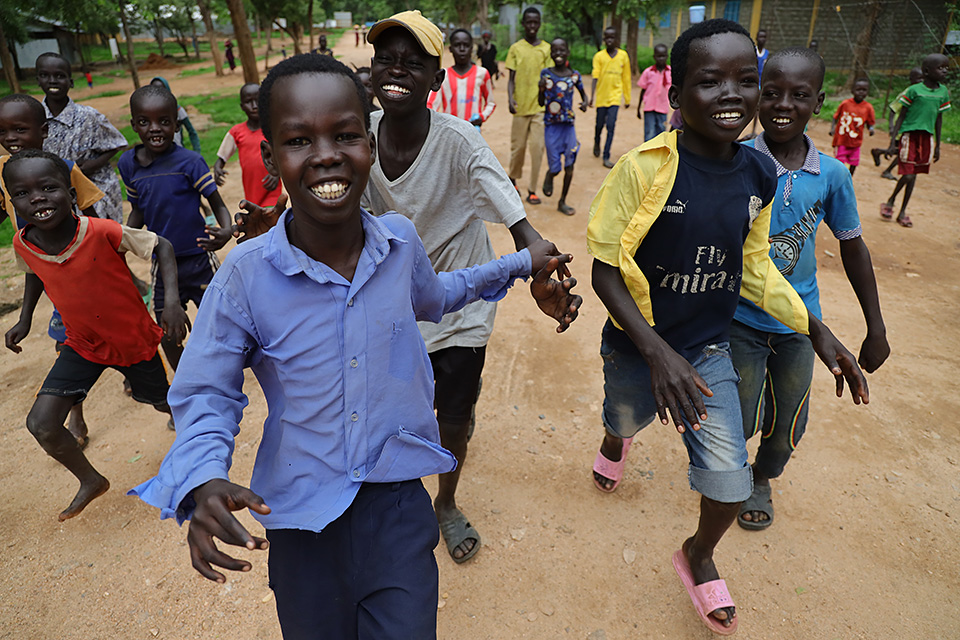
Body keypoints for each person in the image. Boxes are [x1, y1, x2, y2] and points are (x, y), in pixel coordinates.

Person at [130, 53, 580, 640]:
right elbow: (207, 391)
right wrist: (201, 475)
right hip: (301, 519)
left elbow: (437, 295)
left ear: (368, 144)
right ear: (271, 157)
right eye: (299, 140)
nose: (326, 155)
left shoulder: (399, 242)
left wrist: (522, 263)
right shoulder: (245, 275)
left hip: (397, 505)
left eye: (345, 135)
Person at [237, 11, 579, 566]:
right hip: (392, 302)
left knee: (454, 411)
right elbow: (315, 186)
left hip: (460, 301)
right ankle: (393, 480)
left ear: (436, 80)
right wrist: (274, 220)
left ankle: (445, 501)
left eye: (413, 63)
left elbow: (519, 222)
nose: (396, 70)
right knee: (394, 400)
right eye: (386, 60)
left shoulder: (460, 143)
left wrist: (540, 268)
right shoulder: (354, 134)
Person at [586, 19, 868, 634]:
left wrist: (815, 328)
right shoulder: (643, 169)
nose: (732, 95)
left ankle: (698, 554)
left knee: (730, 485)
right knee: (625, 417)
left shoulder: (757, 175)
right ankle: (615, 441)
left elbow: (755, 265)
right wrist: (657, 353)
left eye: (746, 80)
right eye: (710, 81)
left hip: (708, 351)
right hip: (638, 345)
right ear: (677, 93)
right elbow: (605, 270)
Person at [735, 47, 889, 531]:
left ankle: (762, 477)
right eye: (772, 92)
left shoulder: (832, 175)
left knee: (789, 420)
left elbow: (852, 248)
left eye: (799, 95)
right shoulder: (737, 158)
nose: (783, 104)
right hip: (738, 317)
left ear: (818, 103)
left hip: (801, 323)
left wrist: (876, 327)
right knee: (738, 414)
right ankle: (729, 472)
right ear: (758, 96)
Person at [4, 149, 187, 522]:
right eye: (22, 193)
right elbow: (34, 271)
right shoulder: (23, 242)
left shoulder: (101, 231)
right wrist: (24, 318)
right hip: (82, 344)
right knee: (41, 424)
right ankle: (91, 479)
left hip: (131, 341)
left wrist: (171, 303)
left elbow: (161, 246)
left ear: (72, 195)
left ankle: (196, 434)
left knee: (160, 401)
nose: (36, 198)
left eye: (48, 188)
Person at [0, 94, 106, 444]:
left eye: (19, 129)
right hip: (44, 268)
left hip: (80, 266)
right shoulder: (2, 174)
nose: (10, 138)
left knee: (113, 327)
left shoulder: (63, 168)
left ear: (43, 131)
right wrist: (25, 317)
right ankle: (76, 412)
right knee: (67, 339)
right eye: (2, 131)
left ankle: (136, 373)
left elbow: (93, 219)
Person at [118, 85, 234, 370]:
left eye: (164, 121)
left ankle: (222, 376)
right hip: (162, 264)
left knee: (224, 324)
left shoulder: (190, 162)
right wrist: (122, 242)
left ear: (176, 124)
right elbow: (138, 211)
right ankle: (186, 384)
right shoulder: (129, 165)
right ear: (134, 125)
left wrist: (226, 230)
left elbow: (217, 203)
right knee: (168, 333)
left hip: (199, 258)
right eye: (144, 122)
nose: (155, 129)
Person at [36, 52, 127, 222]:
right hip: (54, 193)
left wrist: (95, 163)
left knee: (99, 232)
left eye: (59, 76)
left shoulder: (88, 116)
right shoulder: (34, 117)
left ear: (71, 82)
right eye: (45, 75)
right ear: (38, 80)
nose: (52, 81)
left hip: (95, 188)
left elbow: (117, 143)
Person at [880, 53, 951, 228]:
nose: (945, 71)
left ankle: (902, 211)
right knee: (909, 174)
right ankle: (891, 200)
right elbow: (901, 115)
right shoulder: (914, 90)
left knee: (914, 176)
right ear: (926, 71)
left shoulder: (943, 92)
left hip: (927, 138)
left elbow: (939, 119)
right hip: (909, 136)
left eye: (946, 68)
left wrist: (938, 145)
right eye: (940, 68)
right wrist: (892, 141)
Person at [505, 7, 551, 204]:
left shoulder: (546, 49)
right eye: (529, 22)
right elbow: (511, 78)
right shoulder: (516, 48)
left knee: (537, 148)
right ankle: (513, 180)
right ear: (523, 24)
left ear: (539, 24)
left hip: (540, 107)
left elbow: (550, 77)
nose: (532, 26)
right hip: (520, 106)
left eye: (535, 22)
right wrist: (510, 98)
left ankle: (532, 189)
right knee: (518, 147)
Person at [538, 37, 588, 216]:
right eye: (555, 50)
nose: (558, 53)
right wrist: (541, 90)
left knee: (569, 164)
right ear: (551, 53)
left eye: (562, 50)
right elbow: (541, 102)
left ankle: (562, 201)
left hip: (568, 126)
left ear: (567, 52)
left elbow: (583, 94)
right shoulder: (546, 74)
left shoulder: (574, 75)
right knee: (555, 167)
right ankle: (550, 174)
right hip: (551, 126)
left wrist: (585, 103)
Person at [214, 83, 283, 208]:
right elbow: (221, 157)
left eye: (258, 101)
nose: (254, 106)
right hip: (252, 194)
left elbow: (284, 153)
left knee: (271, 216)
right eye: (248, 102)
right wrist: (217, 168)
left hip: (271, 190)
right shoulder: (236, 132)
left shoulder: (273, 129)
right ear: (242, 106)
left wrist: (277, 173)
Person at [428, 29, 495, 130]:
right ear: (450, 49)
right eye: (457, 45)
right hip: (450, 132)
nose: (462, 49)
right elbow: (431, 105)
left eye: (466, 45)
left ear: (471, 48)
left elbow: (491, 103)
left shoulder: (482, 73)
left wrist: (481, 117)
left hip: (473, 131)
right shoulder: (443, 76)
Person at [871, 67, 923, 180]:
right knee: (904, 152)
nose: (921, 81)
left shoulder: (921, 93)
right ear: (911, 79)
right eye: (919, 78)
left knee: (904, 152)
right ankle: (886, 169)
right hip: (901, 127)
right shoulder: (907, 93)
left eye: (923, 78)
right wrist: (891, 127)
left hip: (911, 128)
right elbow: (893, 109)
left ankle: (879, 153)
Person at [590, 27, 631, 168]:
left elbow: (626, 78)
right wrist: (592, 96)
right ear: (604, 39)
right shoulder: (599, 56)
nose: (609, 40)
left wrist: (627, 98)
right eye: (607, 37)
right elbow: (595, 76)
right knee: (599, 125)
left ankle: (606, 155)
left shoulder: (623, 56)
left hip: (615, 97)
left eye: (612, 37)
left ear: (617, 39)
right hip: (602, 97)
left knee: (611, 126)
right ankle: (596, 142)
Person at [829, 77, 875, 176]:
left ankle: (849, 179)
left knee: (854, 162)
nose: (861, 92)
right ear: (852, 90)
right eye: (858, 89)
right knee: (839, 163)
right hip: (842, 139)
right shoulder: (845, 104)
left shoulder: (868, 107)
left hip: (856, 141)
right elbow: (835, 117)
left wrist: (871, 129)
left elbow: (870, 122)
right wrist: (832, 128)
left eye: (864, 90)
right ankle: (837, 179)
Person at [150, 77, 202, 153]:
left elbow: (192, 132)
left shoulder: (177, 110)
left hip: (178, 153)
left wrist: (197, 152)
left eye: (161, 91)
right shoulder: (150, 113)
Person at [636, 43, 671, 141]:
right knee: (649, 133)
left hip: (663, 108)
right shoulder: (648, 72)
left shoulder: (671, 73)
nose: (661, 59)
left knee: (662, 133)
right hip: (649, 108)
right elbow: (643, 90)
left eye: (663, 56)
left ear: (667, 56)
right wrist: (638, 108)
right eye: (658, 56)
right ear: (654, 57)